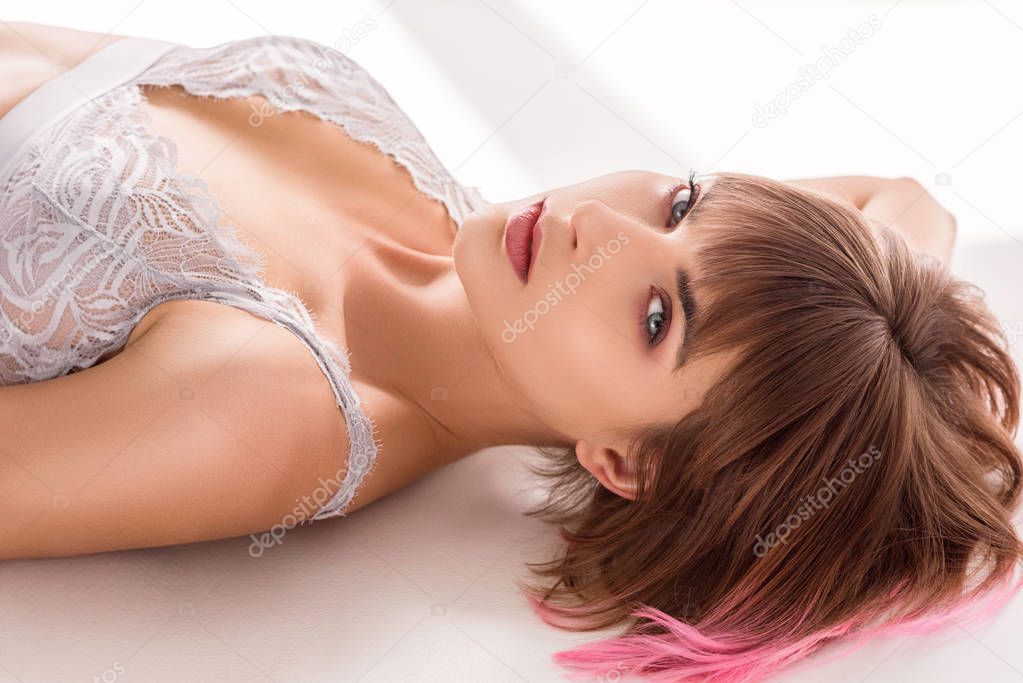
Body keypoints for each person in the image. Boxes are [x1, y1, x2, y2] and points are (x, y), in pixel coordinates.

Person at [1, 22, 1020, 681]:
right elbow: (905, 205)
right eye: (680, 201)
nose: (599, 231)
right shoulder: (464, 239)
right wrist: (889, 350)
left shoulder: (279, 405)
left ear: (625, 461)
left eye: (656, 316)